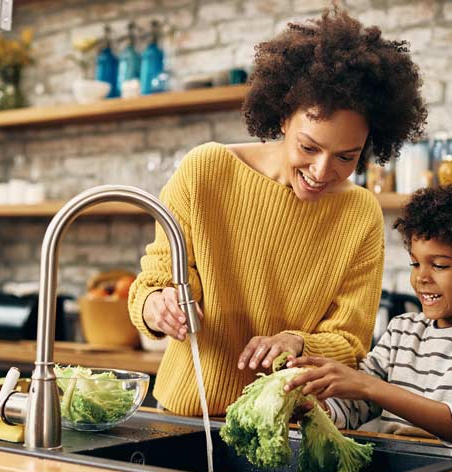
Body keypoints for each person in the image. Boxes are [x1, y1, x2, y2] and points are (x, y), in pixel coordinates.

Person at [128, 7, 427, 416]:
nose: (323, 172)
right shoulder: (206, 171)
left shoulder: (360, 214)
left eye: (347, 156)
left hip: (288, 426)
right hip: (185, 417)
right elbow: (153, 283)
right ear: (284, 116)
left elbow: (351, 341)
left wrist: (297, 341)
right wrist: (158, 306)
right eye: (309, 147)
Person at [285, 181, 452, 447]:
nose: (421, 278)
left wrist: (368, 385)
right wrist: (309, 406)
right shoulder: (402, 331)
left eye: (439, 265)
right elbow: (352, 408)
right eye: (415, 264)